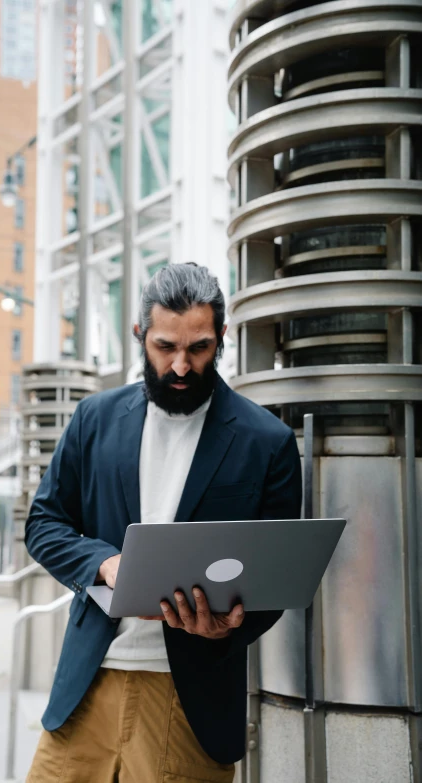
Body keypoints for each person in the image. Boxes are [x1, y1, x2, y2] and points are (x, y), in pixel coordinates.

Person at [25, 263, 302, 783]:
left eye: (198, 348)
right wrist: (104, 564)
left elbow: (280, 571)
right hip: (88, 686)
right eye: (164, 347)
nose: (179, 366)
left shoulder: (268, 442)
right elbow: (44, 523)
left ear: (221, 339)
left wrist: (231, 626)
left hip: (191, 700)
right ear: (139, 336)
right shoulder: (94, 419)